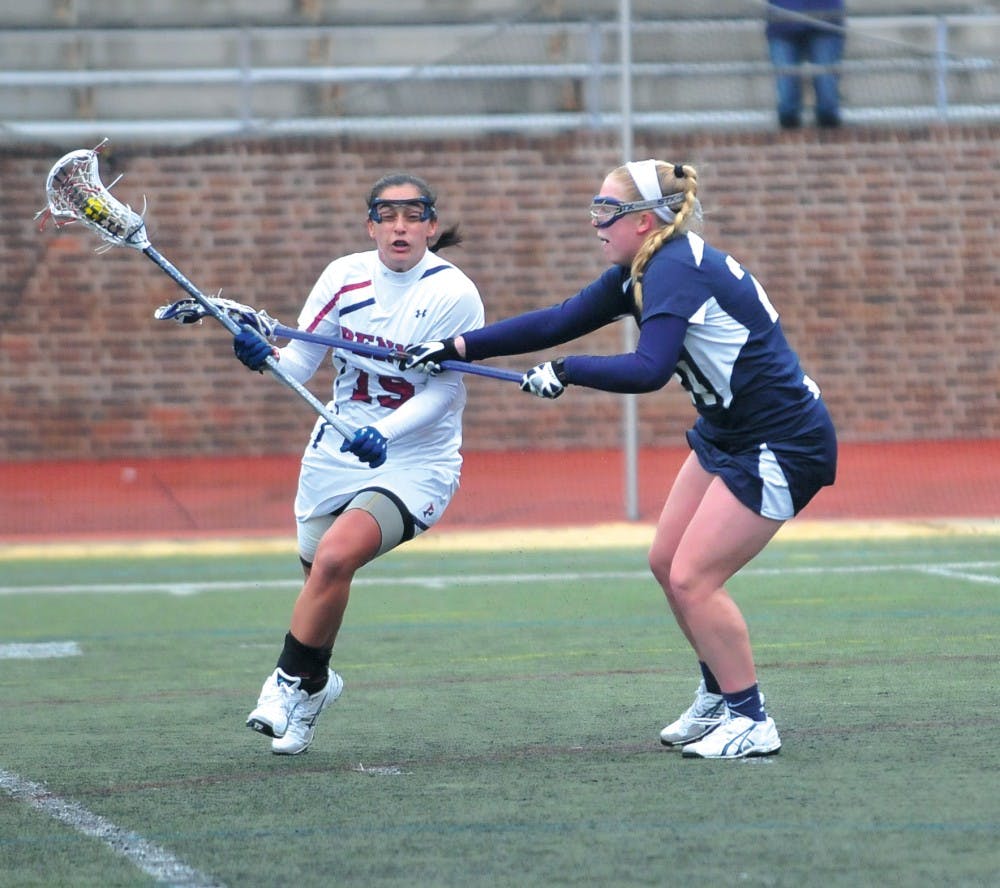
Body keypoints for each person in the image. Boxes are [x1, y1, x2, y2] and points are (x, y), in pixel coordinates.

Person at [404, 159, 837, 759]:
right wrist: (453, 346)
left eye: (607, 211)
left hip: (782, 440)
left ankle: (753, 719)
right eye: (595, 207)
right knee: (666, 562)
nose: (595, 222)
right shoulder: (645, 265)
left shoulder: (675, 268)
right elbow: (559, 321)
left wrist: (567, 372)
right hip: (729, 433)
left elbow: (649, 370)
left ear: (646, 220)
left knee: (694, 578)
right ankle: (718, 695)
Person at [232, 172, 484, 754]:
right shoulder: (342, 278)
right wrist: (261, 356)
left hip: (416, 457)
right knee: (321, 579)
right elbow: (299, 365)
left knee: (337, 554)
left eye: (413, 215)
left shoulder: (453, 294)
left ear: (431, 227)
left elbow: (446, 392)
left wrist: (384, 431)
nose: (400, 226)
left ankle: (285, 683)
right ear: (371, 225)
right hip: (337, 452)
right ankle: (317, 685)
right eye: (387, 215)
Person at [766, 0, 846, 129]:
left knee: (828, 104)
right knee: (787, 107)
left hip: (826, 21)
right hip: (782, 24)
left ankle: (829, 143)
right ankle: (789, 144)